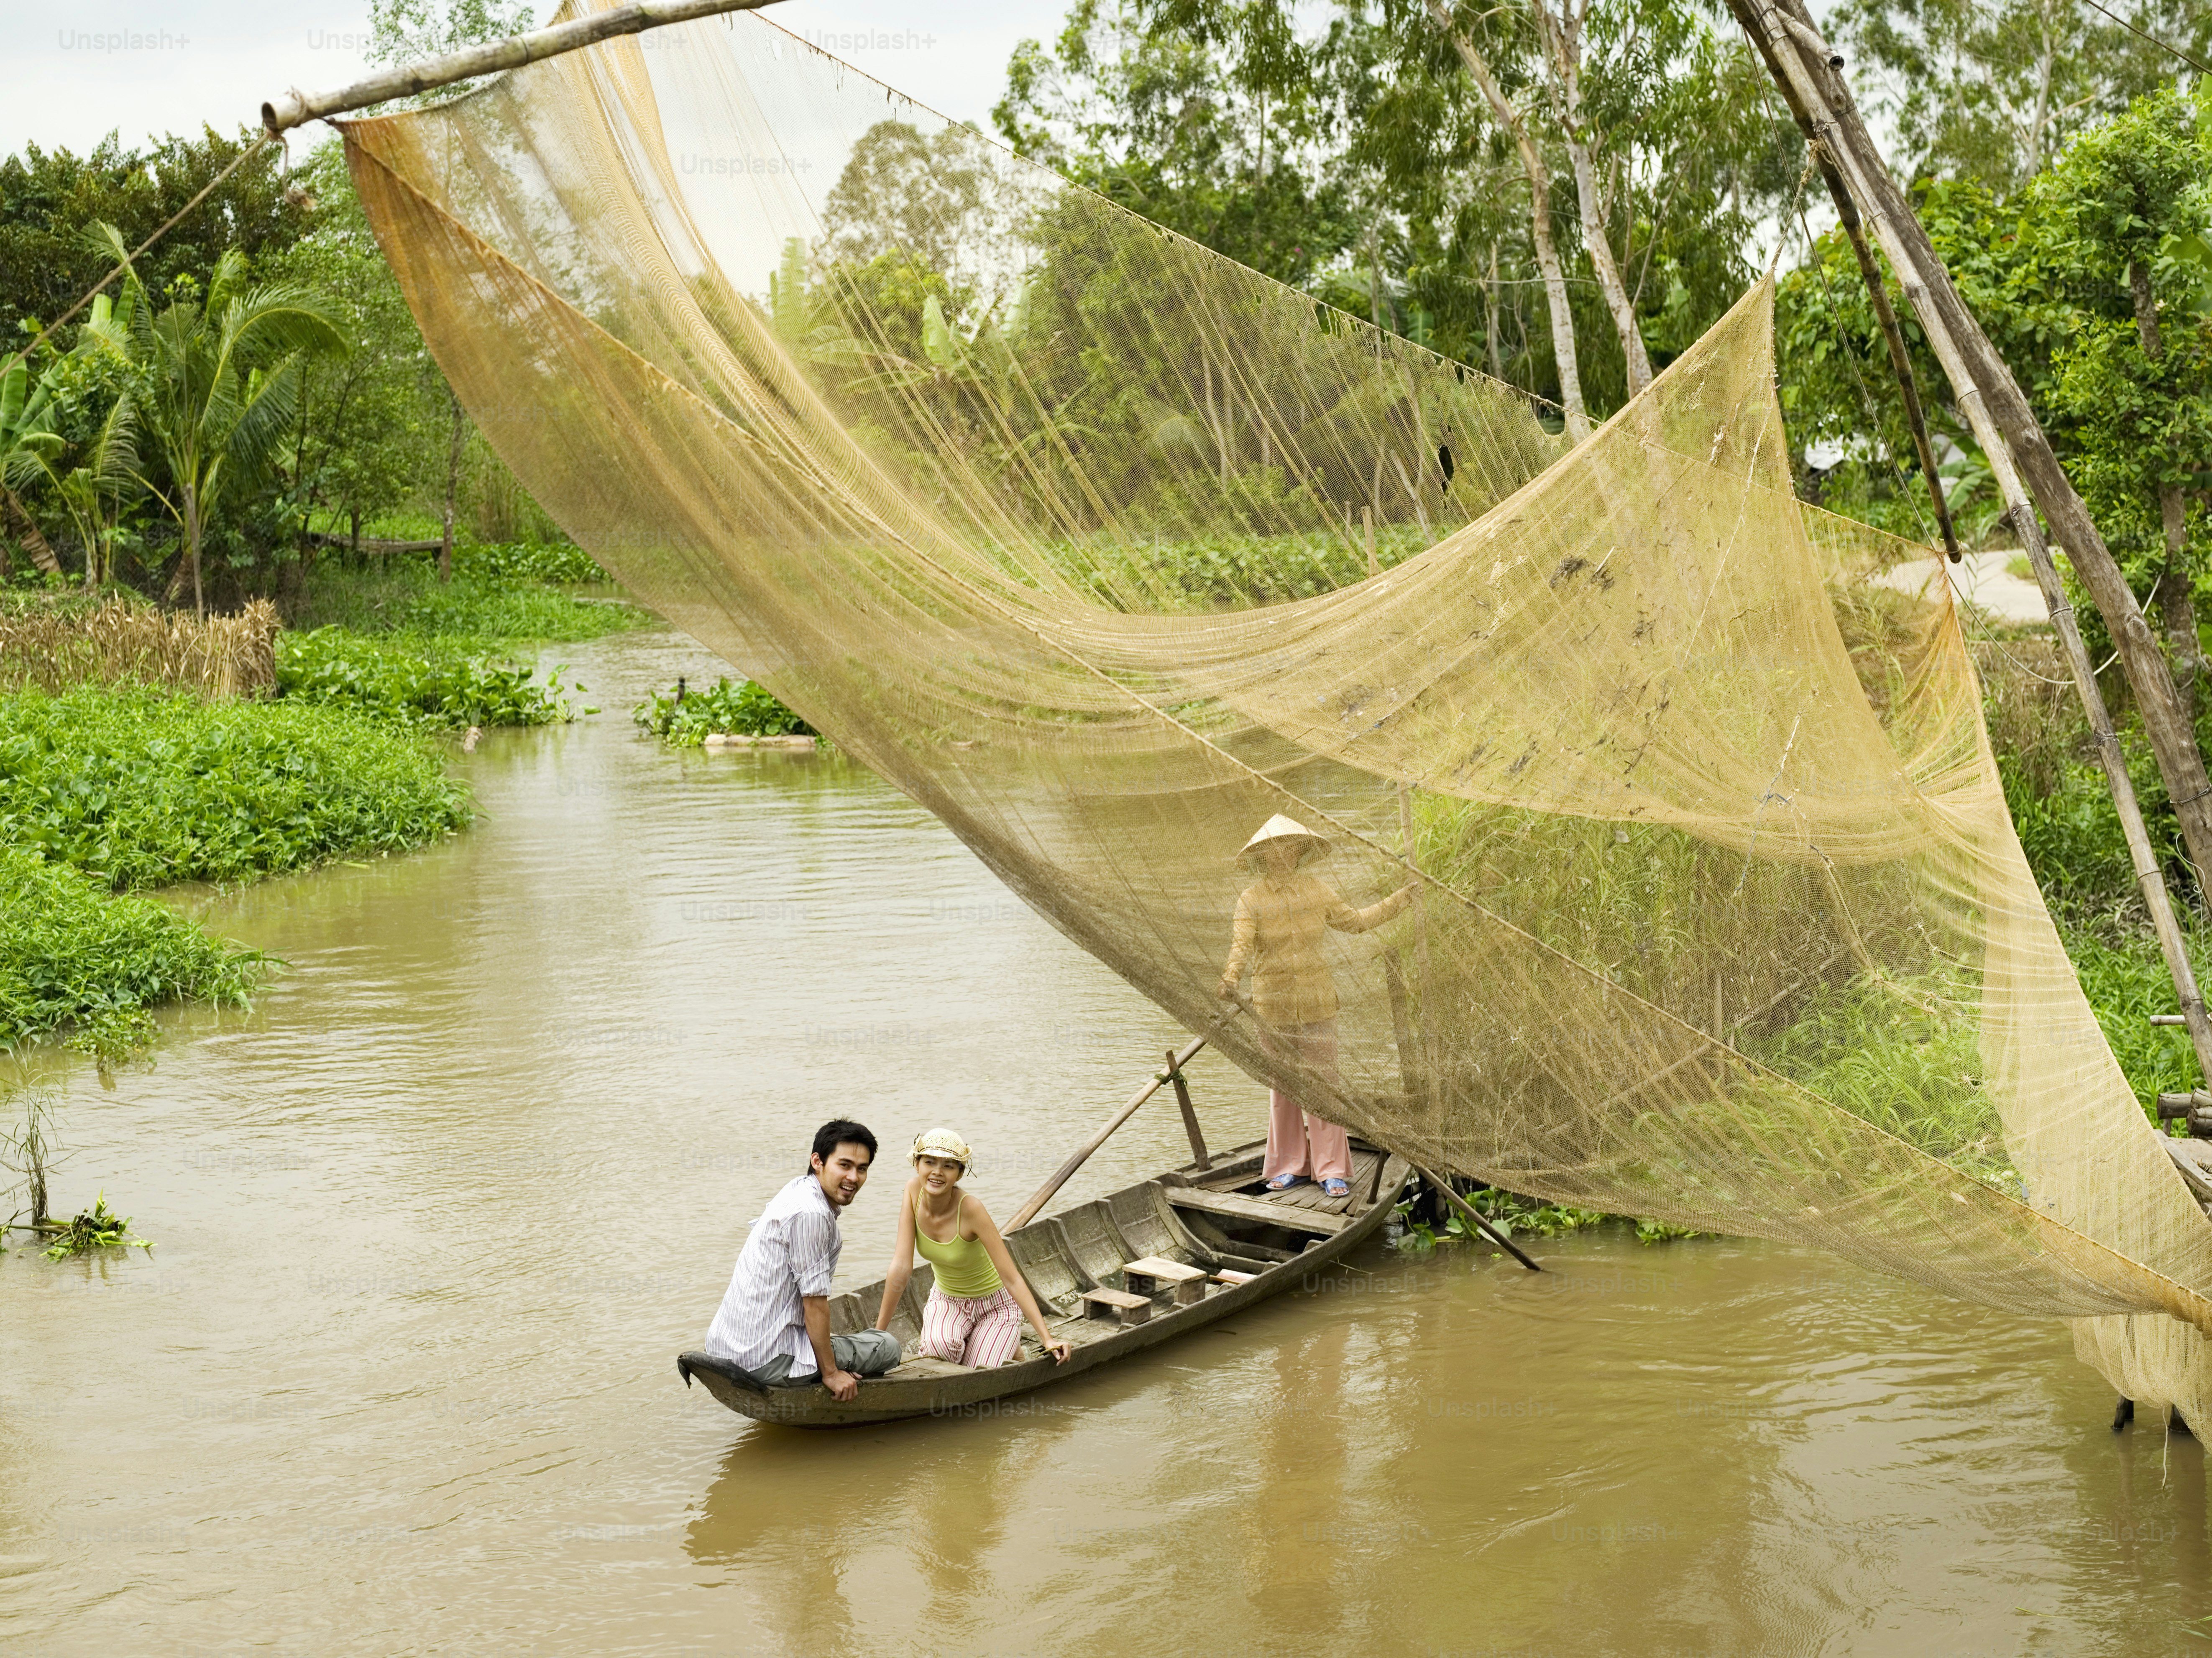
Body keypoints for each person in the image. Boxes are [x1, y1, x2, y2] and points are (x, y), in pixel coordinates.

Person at [1218, 814, 1412, 1199]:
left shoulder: (1317, 890)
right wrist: (1230, 977)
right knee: (1284, 1088)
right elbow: (1240, 946)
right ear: (1262, 856)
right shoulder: (1251, 899)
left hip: (1318, 1002)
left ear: (1300, 850)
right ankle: (1289, 1165)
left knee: (1325, 1086)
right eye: (1272, 849)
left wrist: (1400, 900)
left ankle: (1331, 1169)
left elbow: (1355, 922)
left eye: (1289, 846)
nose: (1281, 855)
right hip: (1272, 1008)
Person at [702, 1119, 902, 1402]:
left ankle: (828, 1361)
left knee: (850, 1341)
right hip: (763, 1359)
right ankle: (826, 1370)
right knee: (888, 1346)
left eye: (862, 1168)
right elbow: (815, 1303)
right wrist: (831, 1372)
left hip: (725, 1346)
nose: (854, 1177)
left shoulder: (797, 1188)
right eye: (844, 1165)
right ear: (818, 1161)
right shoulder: (813, 1214)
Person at [876, 1127, 1072, 1368]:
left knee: (977, 1372)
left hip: (995, 1306)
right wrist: (878, 1335)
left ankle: (1005, 1340)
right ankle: (984, 1339)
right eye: (930, 1162)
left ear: (959, 1174)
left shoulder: (971, 1209)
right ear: (917, 1165)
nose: (937, 1172)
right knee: (939, 1352)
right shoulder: (912, 1191)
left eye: (949, 1166)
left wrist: (1048, 1338)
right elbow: (902, 1266)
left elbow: (1012, 1279)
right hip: (947, 1300)